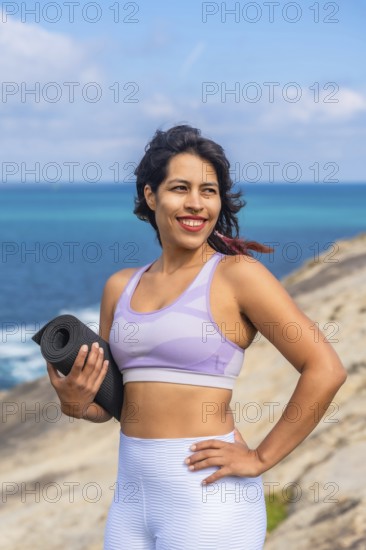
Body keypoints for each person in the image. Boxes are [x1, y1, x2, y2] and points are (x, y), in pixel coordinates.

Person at [47, 124, 347, 550]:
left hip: (209, 501)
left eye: (208, 190)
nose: (195, 203)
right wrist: (74, 404)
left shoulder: (237, 276)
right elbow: (119, 405)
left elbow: (325, 369)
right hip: (131, 503)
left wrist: (262, 457)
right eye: (180, 188)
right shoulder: (120, 287)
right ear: (151, 196)